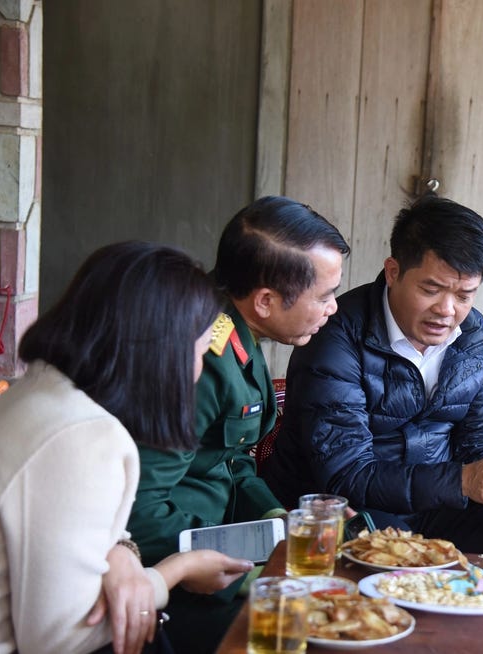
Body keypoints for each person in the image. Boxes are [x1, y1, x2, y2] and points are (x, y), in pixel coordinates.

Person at [262, 193, 483, 559]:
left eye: (464, 294)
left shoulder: (475, 336)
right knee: (392, 551)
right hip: (351, 505)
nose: (447, 310)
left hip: (440, 501)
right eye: (431, 289)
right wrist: (462, 481)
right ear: (393, 272)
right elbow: (346, 473)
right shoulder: (335, 337)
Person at [0, 242, 254, 654]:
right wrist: (175, 572)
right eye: (200, 352)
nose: (199, 370)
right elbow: (62, 641)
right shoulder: (83, 437)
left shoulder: (36, 392)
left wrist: (121, 550)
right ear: (160, 353)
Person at [126, 196, 350, 652]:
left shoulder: (235, 333)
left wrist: (278, 520)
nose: (334, 308)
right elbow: (139, 513)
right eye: (324, 296)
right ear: (265, 300)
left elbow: (231, 464)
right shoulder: (200, 357)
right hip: (179, 576)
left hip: (216, 549)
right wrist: (238, 578)